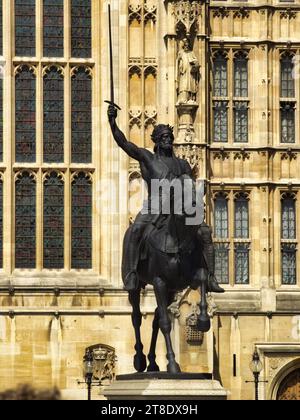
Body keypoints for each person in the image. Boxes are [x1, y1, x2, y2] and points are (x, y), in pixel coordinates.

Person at [108, 105, 223, 293]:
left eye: (169, 137)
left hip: (178, 205)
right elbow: (126, 145)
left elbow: (189, 187)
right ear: (157, 141)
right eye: (163, 138)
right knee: (135, 231)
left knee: (204, 232)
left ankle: (210, 277)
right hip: (154, 206)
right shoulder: (149, 159)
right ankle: (131, 275)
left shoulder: (182, 164)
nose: (167, 140)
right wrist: (113, 124)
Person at [176, 38, 200, 104]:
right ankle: (182, 99)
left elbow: (196, 61)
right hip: (183, 73)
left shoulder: (191, 53)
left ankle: (190, 98)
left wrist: (195, 64)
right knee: (183, 86)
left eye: (187, 43)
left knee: (190, 85)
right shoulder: (181, 53)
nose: (186, 45)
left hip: (190, 73)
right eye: (185, 43)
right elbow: (178, 63)